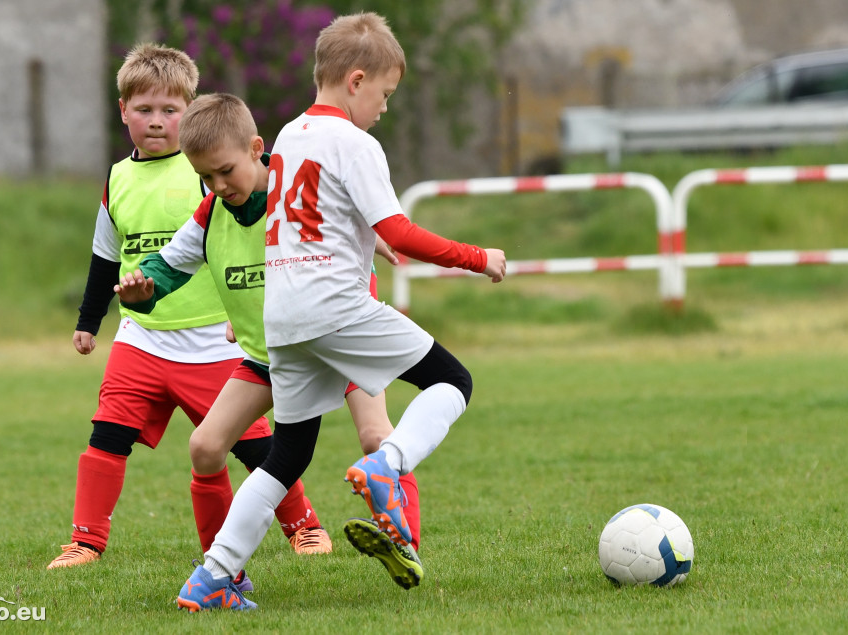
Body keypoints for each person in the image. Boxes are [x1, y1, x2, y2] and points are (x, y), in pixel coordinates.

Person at [164, 13, 507, 611]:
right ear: (356, 79)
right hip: (338, 305)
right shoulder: (355, 142)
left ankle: (213, 576)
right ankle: (388, 467)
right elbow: (398, 230)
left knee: (288, 453)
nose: (383, 107)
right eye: (384, 94)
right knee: (453, 380)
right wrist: (478, 257)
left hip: (284, 317)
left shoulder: (290, 135)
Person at [113, 94, 423, 606]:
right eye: (206, 178)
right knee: (205, 448)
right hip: (270, 356)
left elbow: (347, 209)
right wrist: (143, 290)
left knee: (374, 437)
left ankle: (403, 542)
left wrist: (372, 231)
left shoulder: (293, 190)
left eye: (226, 172)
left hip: (336, 339)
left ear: (258, 149)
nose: (218, 187)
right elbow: (167, 269)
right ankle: (224, 575)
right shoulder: (211, 213)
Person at [47, 43, 331, 572]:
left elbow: (249, 242)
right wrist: (90, 322)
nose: (157, 122)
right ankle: (85, 542)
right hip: (142, 336)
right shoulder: (118, 178)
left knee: (250, 446)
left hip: (210, 339)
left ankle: (304, 525)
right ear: (123, 111)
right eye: (145, 110)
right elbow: (104, 256)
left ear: (191, 111)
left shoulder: (207, 170)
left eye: (170, 110)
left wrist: (239, 312)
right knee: (107, 431)